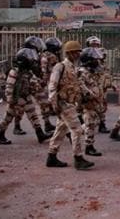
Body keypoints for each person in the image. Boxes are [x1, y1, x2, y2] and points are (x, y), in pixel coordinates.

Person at [46, 41, 94, 170]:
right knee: (77, 130)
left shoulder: (74, 68)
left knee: (61, 130)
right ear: (69, 53)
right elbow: (52, 86)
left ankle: (51, 156)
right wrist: (54, 104)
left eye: (79, 52)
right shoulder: (60, 66)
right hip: (63, 104)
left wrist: (88, 94)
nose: (78, 54)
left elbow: (79, 84)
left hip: (71, 103)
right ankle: (78, 159)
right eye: (76, 52)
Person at [0, 48, 52, 145]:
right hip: (16, 99)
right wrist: (10, 100)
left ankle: (40, 134)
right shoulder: (14, 72)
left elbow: (34, 85)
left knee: (33, 115)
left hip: (26, 97)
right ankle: (0, 135)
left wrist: (39, 89)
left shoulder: (28, 73)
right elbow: (9, 87)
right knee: (7, 118)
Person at [13, 36, 48, 135]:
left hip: (32, 81)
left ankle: (43, 127)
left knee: (39, 103)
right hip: (24, 83)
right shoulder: (24, 54)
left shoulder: (36, 55)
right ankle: (16, 126)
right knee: (20, 107)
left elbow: (37, 69)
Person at [78, 47, 104, 157]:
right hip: (87, 102)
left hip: (95, 101)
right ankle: (89, 147)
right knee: (90, 123)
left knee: (95, 122)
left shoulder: (92, 72)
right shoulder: (81, 72)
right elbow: (81, 86)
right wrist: (90, 96)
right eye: (94, 59)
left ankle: (74, 130)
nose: (97, 62)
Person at [40, 37, 63, 133]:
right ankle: (61, 125)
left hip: (45, 81)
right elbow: (55, 69)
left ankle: (47, 124)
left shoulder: (44, 55)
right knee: (55, 102)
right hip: (49, 81)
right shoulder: (52, 56)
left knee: (45, 103)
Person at [96, 47, 116, 133]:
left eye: (104, 55)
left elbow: (107, 76)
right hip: (96, 89)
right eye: (102, 55)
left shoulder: (104, 65)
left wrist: (112, 85)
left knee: (102, 107)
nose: (103, 56)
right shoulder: (95, 64)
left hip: (102, 89)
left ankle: (101, 124)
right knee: (98, 107)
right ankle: (101, 125)